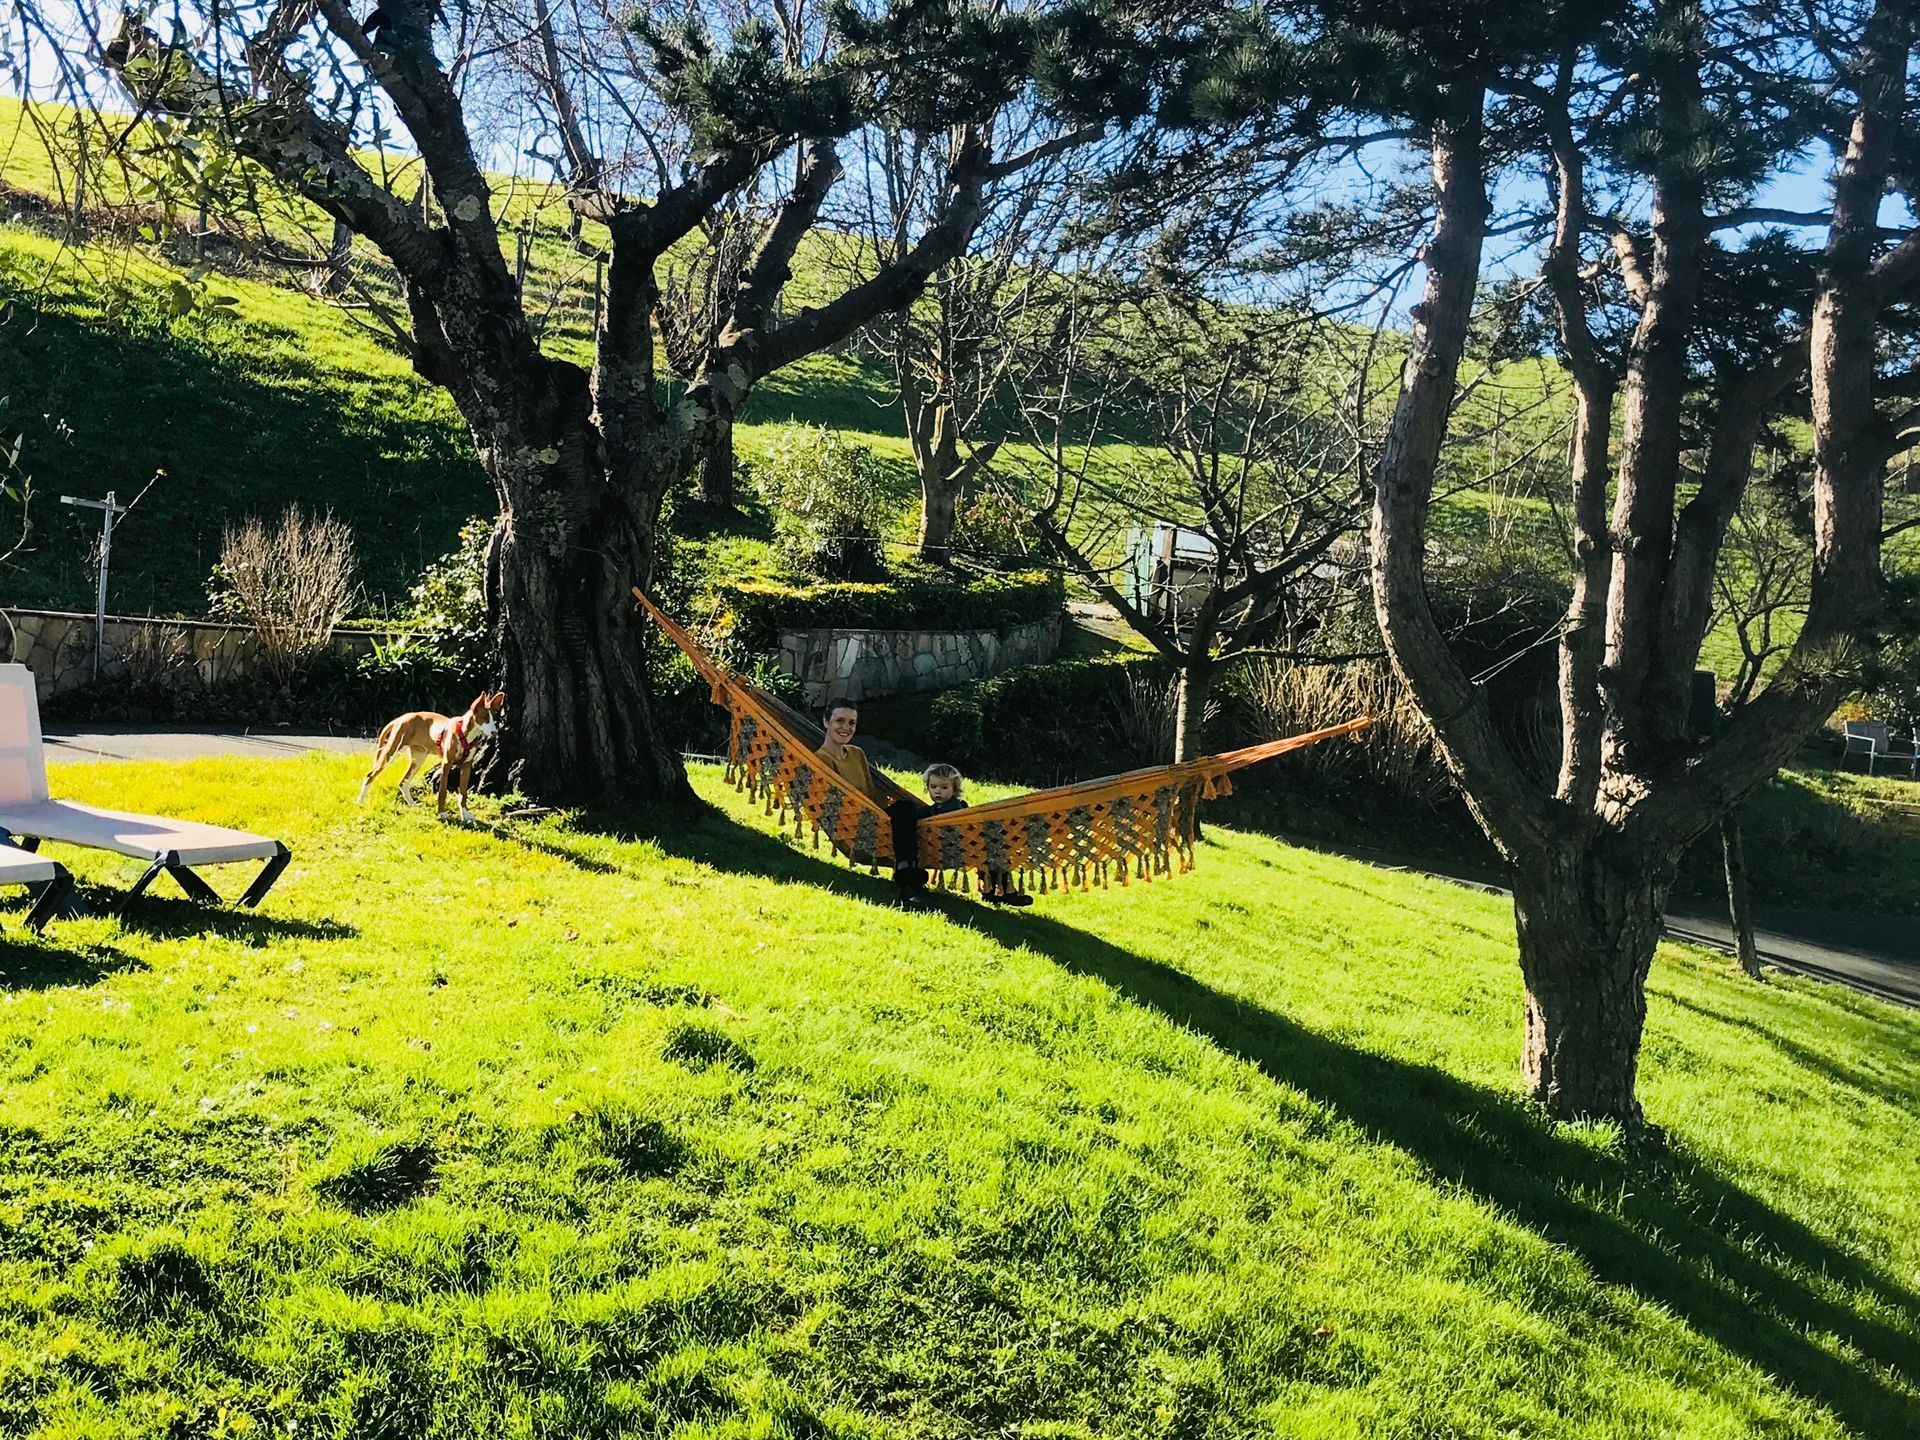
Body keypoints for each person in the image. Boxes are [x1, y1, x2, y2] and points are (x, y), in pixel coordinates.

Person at [814, 697, 929, 907]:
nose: (846, 728)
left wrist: (885, 813)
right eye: (839, 721)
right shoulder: (821, 760)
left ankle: (996, 886)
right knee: (906, 810)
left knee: (937, 815)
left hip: (878, 818)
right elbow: (835, 803)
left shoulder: (857, 754)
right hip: (854, 826)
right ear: (826, 722)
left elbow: (873, 791)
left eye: (852, 723)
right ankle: (908, 881)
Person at [923, 762, 1032, 906]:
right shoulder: (933, 809)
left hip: (963, 845)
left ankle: (998, 891)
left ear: (954, 789)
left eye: (944, 787)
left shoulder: (955, 807)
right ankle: (999, 892)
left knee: (993, 854)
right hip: (954, 848)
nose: (938, 791)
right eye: (933, 787)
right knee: (992, 854)